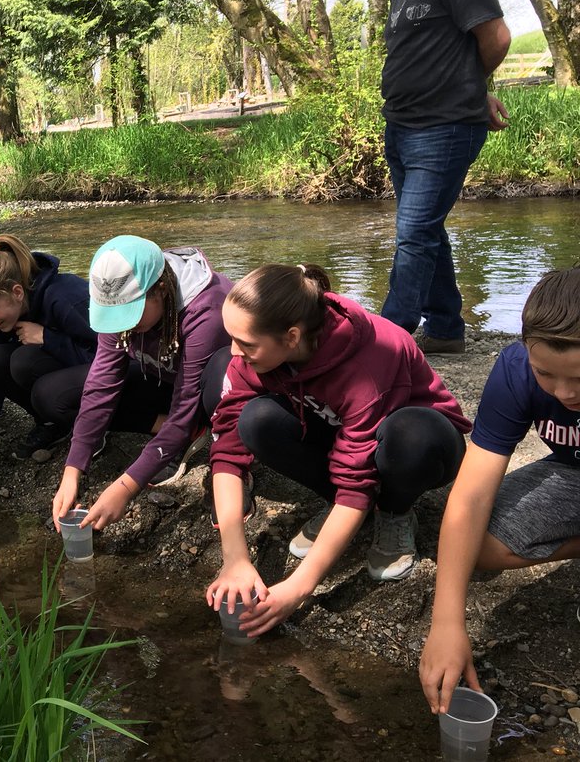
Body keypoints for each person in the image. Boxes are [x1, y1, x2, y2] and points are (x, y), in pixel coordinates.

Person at [205, 264, 471, 640]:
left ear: (291, 336)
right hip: (343, 433)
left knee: (411, 437)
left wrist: (297, 588)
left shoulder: (370, 358)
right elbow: (227, 446)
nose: (234, 351)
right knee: (254, 420)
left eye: (246, 344)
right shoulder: (269, 348)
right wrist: (235, 558)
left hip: (421, 442)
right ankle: (347, 515)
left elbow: (355, 481)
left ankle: (395, 510)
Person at [419, 267, 580, 714]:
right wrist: (447, 623)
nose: (565, 393)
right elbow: (471, 496)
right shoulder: (514, 370)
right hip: (572, 473)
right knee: (480, 548)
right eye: (546, 374)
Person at [367, 0, 511, 354]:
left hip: (444, 127)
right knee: (425, 230)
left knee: (414, 234)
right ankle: (446, 328)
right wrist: (478, 88)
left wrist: (473, 90)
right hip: (402, 125)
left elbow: (496, 38)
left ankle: (387, 339)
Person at [50, 237, 232, 533]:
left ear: (160, 290)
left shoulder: (206, 311)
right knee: (60, 396)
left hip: (214, 388)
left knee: (220, 373)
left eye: (130, 316)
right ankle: (173, 437)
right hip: (164, 376)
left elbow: (186, 402)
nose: (124, 327)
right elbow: (101, 384)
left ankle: (230, 464)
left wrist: (124, 487)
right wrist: (72, 471)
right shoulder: (121, 303)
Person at [0, 235, 97, 481]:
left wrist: (48, 338)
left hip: (100, 374)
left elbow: (111, 357)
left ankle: (95, 426)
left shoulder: (65, 296)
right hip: (60, 373)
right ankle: (52, 423)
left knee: (23, 361)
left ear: (17, 292)